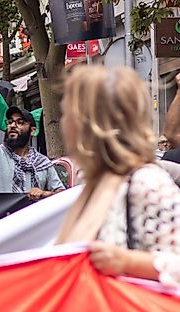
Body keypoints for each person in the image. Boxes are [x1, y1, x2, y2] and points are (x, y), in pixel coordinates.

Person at [56, 65, 180, 285]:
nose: (63, 123)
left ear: (91, 123)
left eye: (67, 113)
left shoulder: (147, 183)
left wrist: (127, 262)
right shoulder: (94, 184)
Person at [0, 104, 64, 199]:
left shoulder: (42, 162)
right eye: (10, 122)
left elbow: (62, 194)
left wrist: (43, 193)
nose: (13, 126)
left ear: (32, 130)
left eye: (20, 122)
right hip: (3, 213)